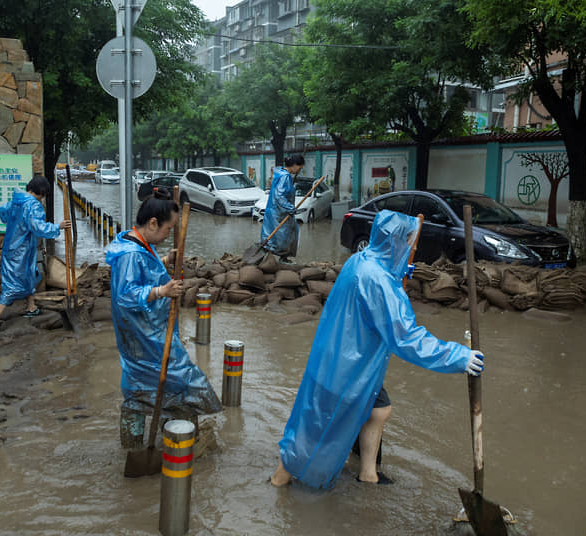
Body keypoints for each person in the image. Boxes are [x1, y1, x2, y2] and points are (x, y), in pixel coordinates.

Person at [271, 210, 485, 489]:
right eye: (408, 240)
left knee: (377, 409)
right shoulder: (380, 281)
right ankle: (280, 479)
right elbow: (407, 337)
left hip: (344, 358)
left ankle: (368, 472)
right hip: (349, 367)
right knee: (314, 425)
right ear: (395, 242)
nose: (411, 246)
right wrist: (458, 357)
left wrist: (396, 275)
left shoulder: (360, 261)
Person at [105, 189, 222, 424]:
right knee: (180, 376)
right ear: (152, 223)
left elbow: (145, 272)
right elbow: (126, 295)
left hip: (151, 327)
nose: (169, 234)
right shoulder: (130, 255)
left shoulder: (139, 242)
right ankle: (176, 430)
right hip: (143, 333)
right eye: (168, 229)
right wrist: (162, 291)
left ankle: (167, 426)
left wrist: (166, 260)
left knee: (152, 381)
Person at [0, 176, 70, 331]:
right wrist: (58, 227)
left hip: (13, 247)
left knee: (29, 275)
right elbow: (38, 227)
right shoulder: (33, 206)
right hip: (21, 251)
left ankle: (31, 307)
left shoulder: (16, 201)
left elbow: (2, 213)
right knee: (13, 284)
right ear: (42, 192)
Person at [261, 154, 305, 262]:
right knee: (286, 235)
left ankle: (270, 257)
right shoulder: (285, 176)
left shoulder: (279, 173)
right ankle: (282, 258)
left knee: (274, 235)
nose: (299, 170)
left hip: (274, 211)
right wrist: (289, 208)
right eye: (299, 168)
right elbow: (279, 195)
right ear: (294, 165)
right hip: (281, 212)